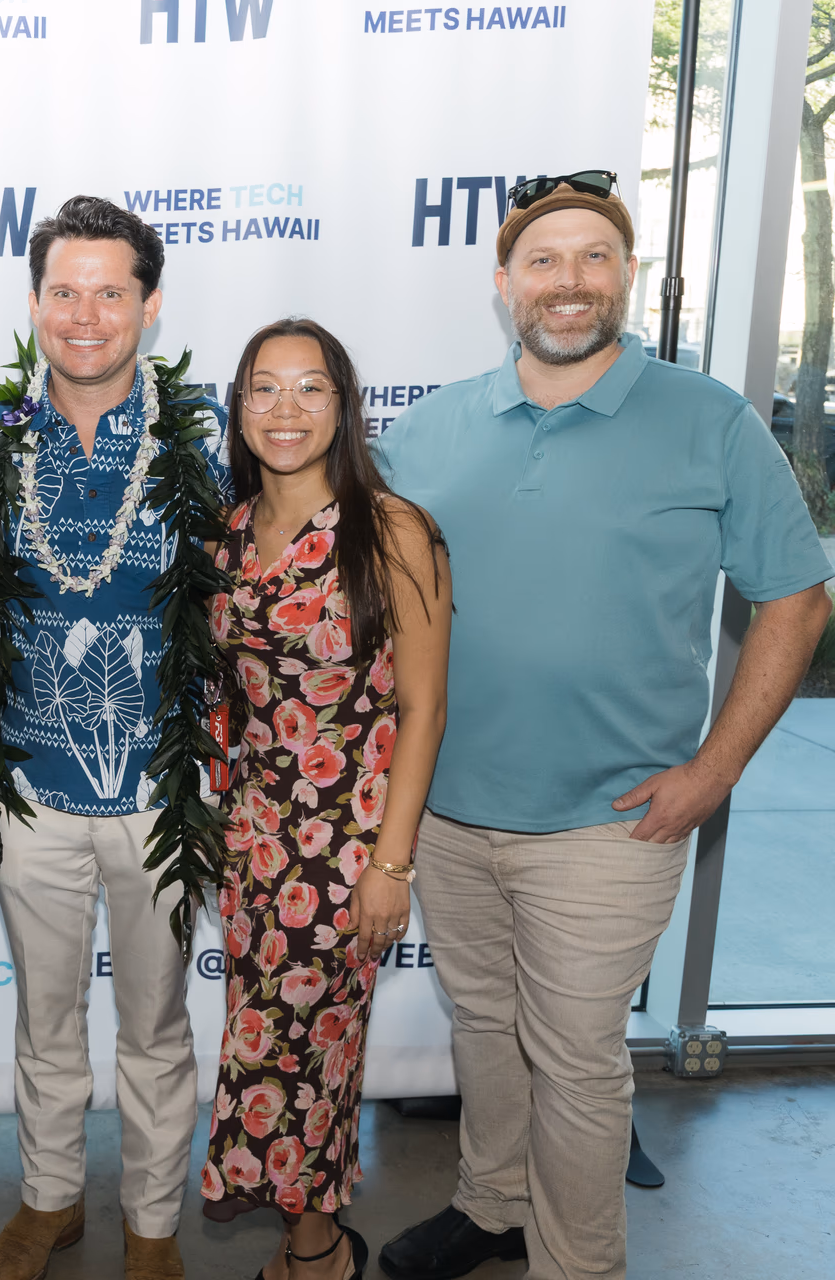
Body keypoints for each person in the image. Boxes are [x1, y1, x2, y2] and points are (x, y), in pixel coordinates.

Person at [374, 174, 833, 1280]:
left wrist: (714, 770)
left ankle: (579, 1264)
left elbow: (797, 597)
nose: (568, 281)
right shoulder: (425, 431)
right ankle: (492, 1205)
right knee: (485, 1025)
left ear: (628, 274)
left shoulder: (711, 420)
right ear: (504, 283)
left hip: (612, 821)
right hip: (446, 813)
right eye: (543, 260)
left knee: (576, 1060)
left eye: (593, 257)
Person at [0, 195, 232, 1280]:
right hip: (31, 785)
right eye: (64, 292)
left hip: (161, 793)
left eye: (109, 292)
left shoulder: (203, 440)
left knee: (157, 1023)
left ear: (149, 305)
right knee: (44, 1017)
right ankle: (50, 1200)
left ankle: (153, 1220)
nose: (85, 315)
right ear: (35, 303)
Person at [200, 319, 450, 1280]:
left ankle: (315, 1254)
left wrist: (391, 864)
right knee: (275, 1044)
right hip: (254, 837)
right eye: (264, 388)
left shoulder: (391, 529)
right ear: (238, 408)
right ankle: (315, 1245)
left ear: (345, 408)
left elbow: (424, 709)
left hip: (346, 847)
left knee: (304, 1051)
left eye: (311, 388)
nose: (286, 409)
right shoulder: (228, 533)